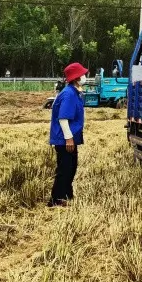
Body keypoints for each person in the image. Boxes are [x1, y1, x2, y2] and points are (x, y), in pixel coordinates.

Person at [48, 62, 87, 207]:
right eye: (83, 74)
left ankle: (66, 195)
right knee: (65, 169)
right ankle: (56, 200)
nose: (85, 77)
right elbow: (63, 118)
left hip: (69, 138)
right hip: (65, 139)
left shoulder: (74, 92)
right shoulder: (69, 94)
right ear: (76, 78)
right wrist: (68, 138)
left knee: (71, 167)